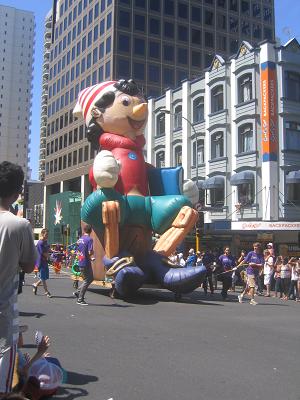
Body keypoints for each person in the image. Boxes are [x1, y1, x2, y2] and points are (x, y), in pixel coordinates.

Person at [0, 161, 37, 396]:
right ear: (16, 193)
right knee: (4, 383)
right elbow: (29, 265)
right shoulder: (20, 225)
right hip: (4, 311)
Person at [73, 224, 94, 305]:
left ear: (84, 230)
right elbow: (89, 251)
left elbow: (79, 251)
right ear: (91, 231)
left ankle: (78, 292)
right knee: (88, 280)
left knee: (89, 279)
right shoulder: (89, 239)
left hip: (81, 261)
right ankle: (80, 299)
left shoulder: (80, 239)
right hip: (86, 262)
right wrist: (92, 254)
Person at [32, 229, 52, 298]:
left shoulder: (45, 241)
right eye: (46, 235)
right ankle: (46, 292)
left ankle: (35, 284)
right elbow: (43, 253)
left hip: (45, 261)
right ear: (42, 234)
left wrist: (52, 251)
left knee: (45, 277)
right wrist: (50, 257)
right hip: (41, 262)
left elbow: (48, 248)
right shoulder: (40, 243)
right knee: (43, 277)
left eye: (48, 235)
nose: (47, 236)